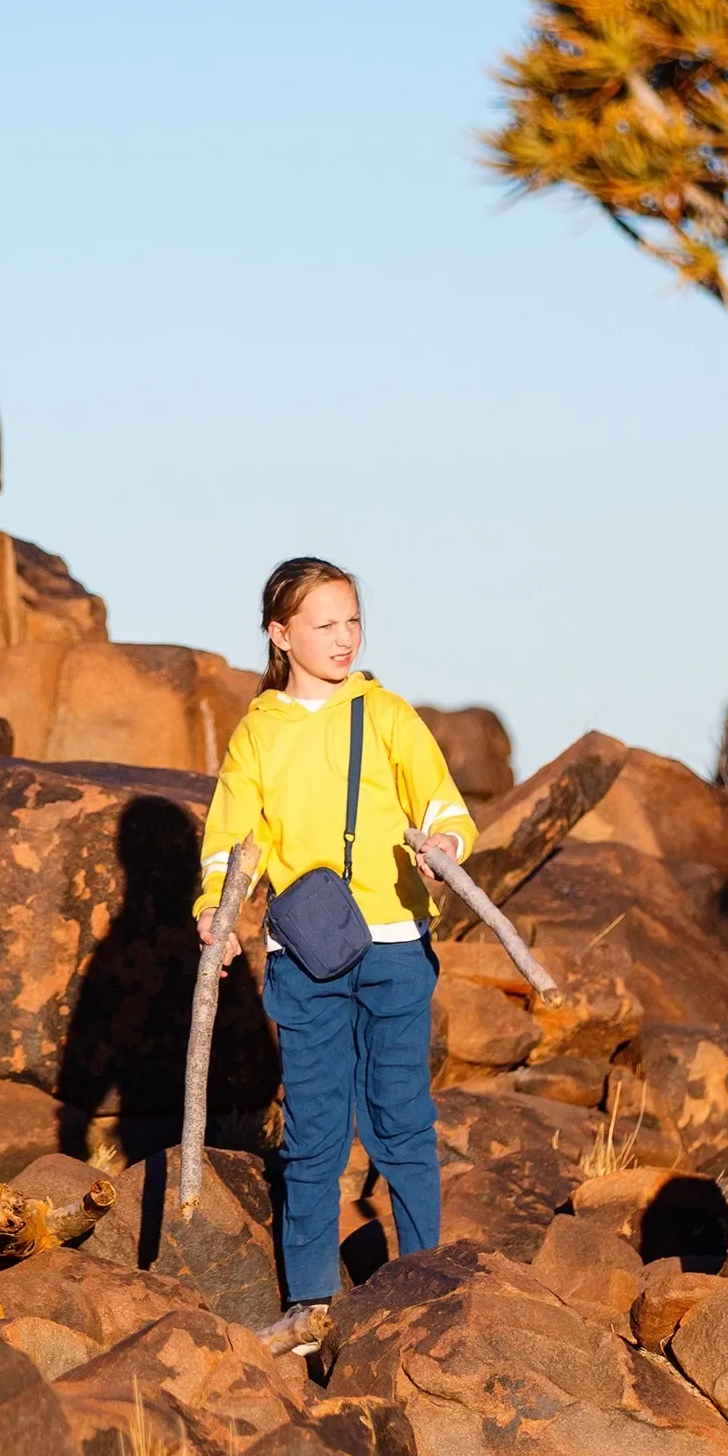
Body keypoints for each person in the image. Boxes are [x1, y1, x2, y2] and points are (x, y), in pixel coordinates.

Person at [195, 555, 477, 1346]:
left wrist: (448, 840)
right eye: (326, 625)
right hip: (303, 956)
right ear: (281, 635)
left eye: (353, 621)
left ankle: (425, 1286)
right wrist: (214, 914)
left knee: (403, 1122)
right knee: (315, 1128)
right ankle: (310, 1304)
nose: (345, 638)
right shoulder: (259, 730)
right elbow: (230, 841)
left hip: (394, 946)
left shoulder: (386, 714)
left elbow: (441, 798)